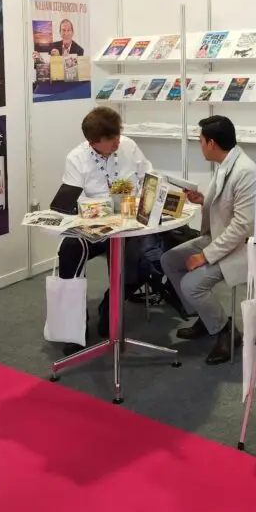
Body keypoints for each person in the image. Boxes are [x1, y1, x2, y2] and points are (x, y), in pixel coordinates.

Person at [162, 115, 256, 366]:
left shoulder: (245, 172)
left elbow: (242, 226)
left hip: (240, 247)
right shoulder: (226, 163)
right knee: (170, 260)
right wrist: (201, 199)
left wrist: (205, 256)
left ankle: (226, 332)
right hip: (219, 237)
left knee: (192, 285)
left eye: (201, 141)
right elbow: (224, 206)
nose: (200, 145)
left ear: (212, 143)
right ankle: (207, 318)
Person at [54, 107, 151, 352]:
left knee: (142, 260)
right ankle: (75, 326)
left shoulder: (128, 146)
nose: (117, 142)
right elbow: (69, 201)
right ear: (93, 142)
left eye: (118, 135)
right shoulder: (77, 158)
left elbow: (149, 176)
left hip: (129, 225)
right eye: (111, 140)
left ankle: (110, 307)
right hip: (93, 228)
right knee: (68, 252)